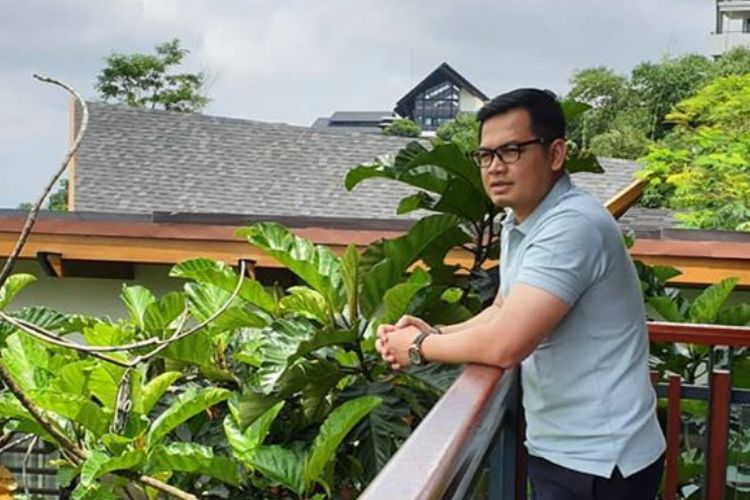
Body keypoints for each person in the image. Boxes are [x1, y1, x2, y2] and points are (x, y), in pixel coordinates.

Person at [375, 88, 665, 499]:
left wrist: (418, 347)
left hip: (600, 462)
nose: (495, 167)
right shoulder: (523, 222)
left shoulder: (572, 225)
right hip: (571, 450)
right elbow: (503, 309)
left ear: (556, 154)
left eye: (511, 151)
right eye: (485, 155)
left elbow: (507, 344)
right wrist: (435, 332)